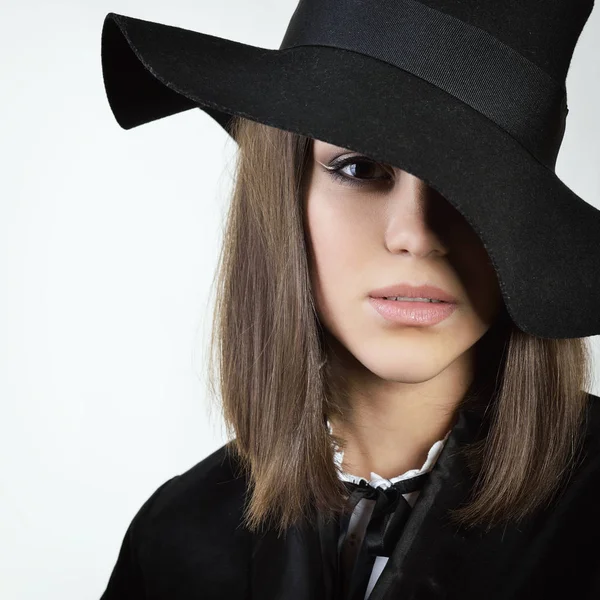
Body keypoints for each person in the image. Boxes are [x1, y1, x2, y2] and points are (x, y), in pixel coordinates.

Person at [98, 1, 600, 598]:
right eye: (361, 169)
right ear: (284, 196)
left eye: (474, 185)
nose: (415, 235)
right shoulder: (176, 542)